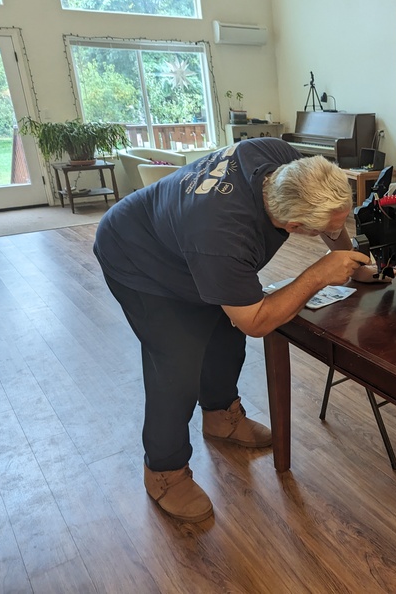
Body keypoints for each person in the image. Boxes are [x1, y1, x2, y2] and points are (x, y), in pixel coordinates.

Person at [94, 137, 376, 522]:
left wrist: (350, 261)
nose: (334, 231)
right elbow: (257, 321)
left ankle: (221, 416)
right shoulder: (223, 235)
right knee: (176, 366)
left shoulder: (286, 162)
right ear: (294, 226)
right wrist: (318, 275)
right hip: (139, 256)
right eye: (325, 229)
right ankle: (164, 471)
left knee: (226, 335)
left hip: (188, 242)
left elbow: (329, 218)